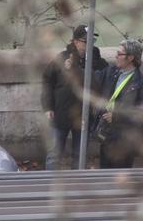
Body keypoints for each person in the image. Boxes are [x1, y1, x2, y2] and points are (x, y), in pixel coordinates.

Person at [41, 25, 108, 170]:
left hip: (84, 117)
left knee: (80, 155)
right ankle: (48, 184)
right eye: (85, 41)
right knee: (54, 154)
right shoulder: (62, 58)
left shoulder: (97, 62)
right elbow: (47, 80)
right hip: (61, 114)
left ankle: (77, 186)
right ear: (76, 42)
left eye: (92, 41)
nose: (89, 44)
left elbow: (101, 84)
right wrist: (48, 107)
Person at [94, 39, 143, 168]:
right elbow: (90, 78)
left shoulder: (142, 84)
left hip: (125, 143)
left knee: (120, 179)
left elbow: (142, 116)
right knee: (104, 177)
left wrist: (116, 116)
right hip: (107, 137)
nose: (116, 56)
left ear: (131, 57)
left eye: (120, 54)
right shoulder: (111, 73)